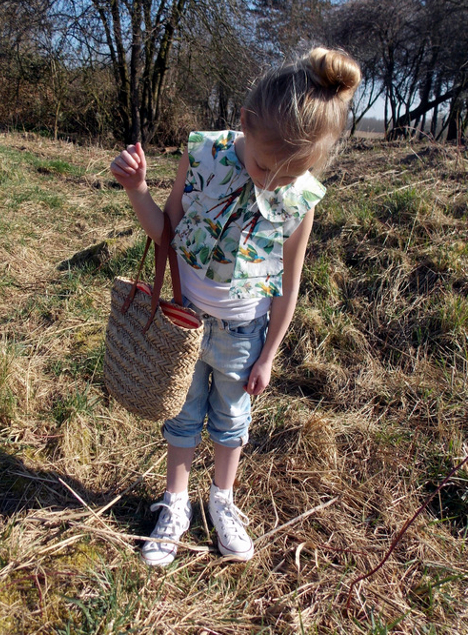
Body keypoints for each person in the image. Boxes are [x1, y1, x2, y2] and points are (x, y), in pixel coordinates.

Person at [110, 46, 361, 567]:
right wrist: (137, 191)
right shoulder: (204, 155)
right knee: (181, 415)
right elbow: (167, 237)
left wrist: (269, 354)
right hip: (183, 321)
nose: (270, 184)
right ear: (245, 124)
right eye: (264, 166)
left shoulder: (302, 198)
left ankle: (221, 500)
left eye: (287, 178)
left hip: (244, 331)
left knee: (230, 420)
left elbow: (289, 286)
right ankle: (175, 503)